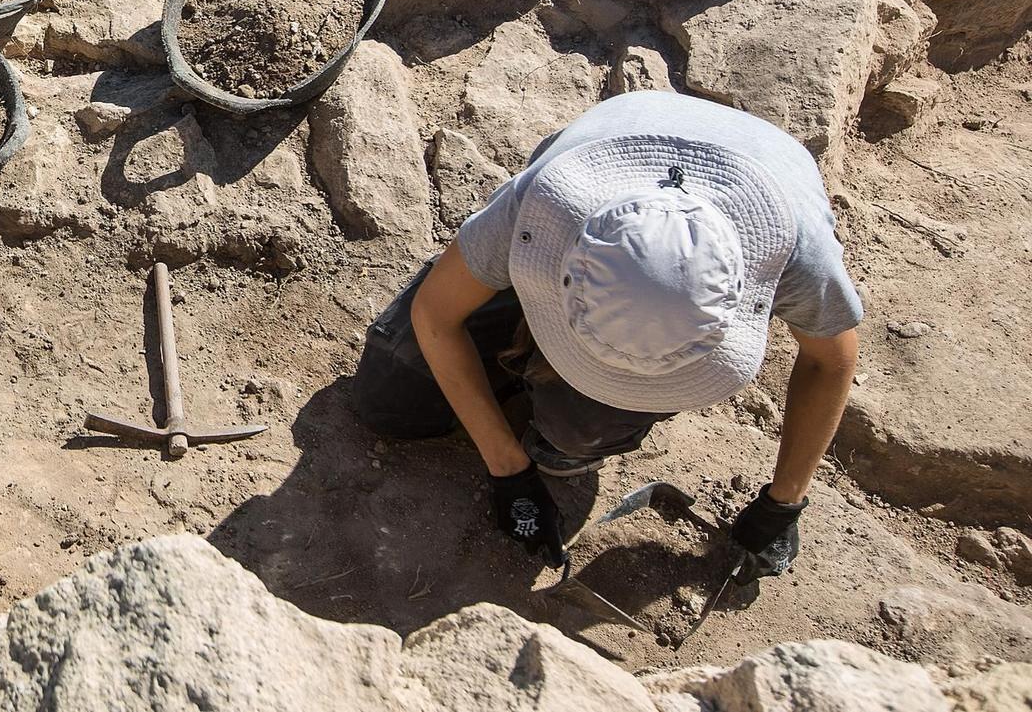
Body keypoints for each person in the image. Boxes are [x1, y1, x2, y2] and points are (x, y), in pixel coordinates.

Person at [352, 90, 862, 578]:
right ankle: (505, 314)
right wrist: (508, 468)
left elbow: (829, 360)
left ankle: (579, 400)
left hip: (763, 169)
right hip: (600, 200)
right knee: (391, 399)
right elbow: (437, 316)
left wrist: (784, 501)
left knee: (576, 430)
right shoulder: (547, 201)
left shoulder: (797, 253)